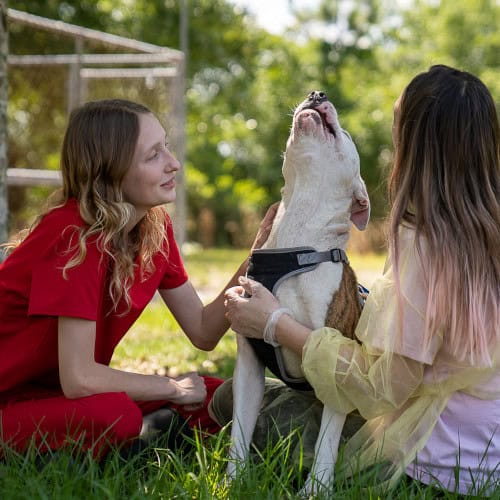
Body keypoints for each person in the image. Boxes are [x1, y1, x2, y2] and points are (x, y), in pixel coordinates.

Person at [217, 65, 500, 495]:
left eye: (395, 127)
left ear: (414, 147)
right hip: (489, 452)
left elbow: (381, 388)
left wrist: (274, 324)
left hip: (426, 457)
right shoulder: (488, 230)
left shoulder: (424, 245)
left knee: (238, 402)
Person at [0, 99, 276, 460]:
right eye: (152, 155)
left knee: (215, 392)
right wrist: (171, 388)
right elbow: (79, 377)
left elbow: (204, 331)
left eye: (167, 147)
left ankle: (149, 437)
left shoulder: (153, 229)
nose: (173, 163)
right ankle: (142, 440)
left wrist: (258, 255)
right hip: (15, 395)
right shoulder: (73, 236)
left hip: (52, 393)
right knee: (117, 416)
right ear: (110, 172)